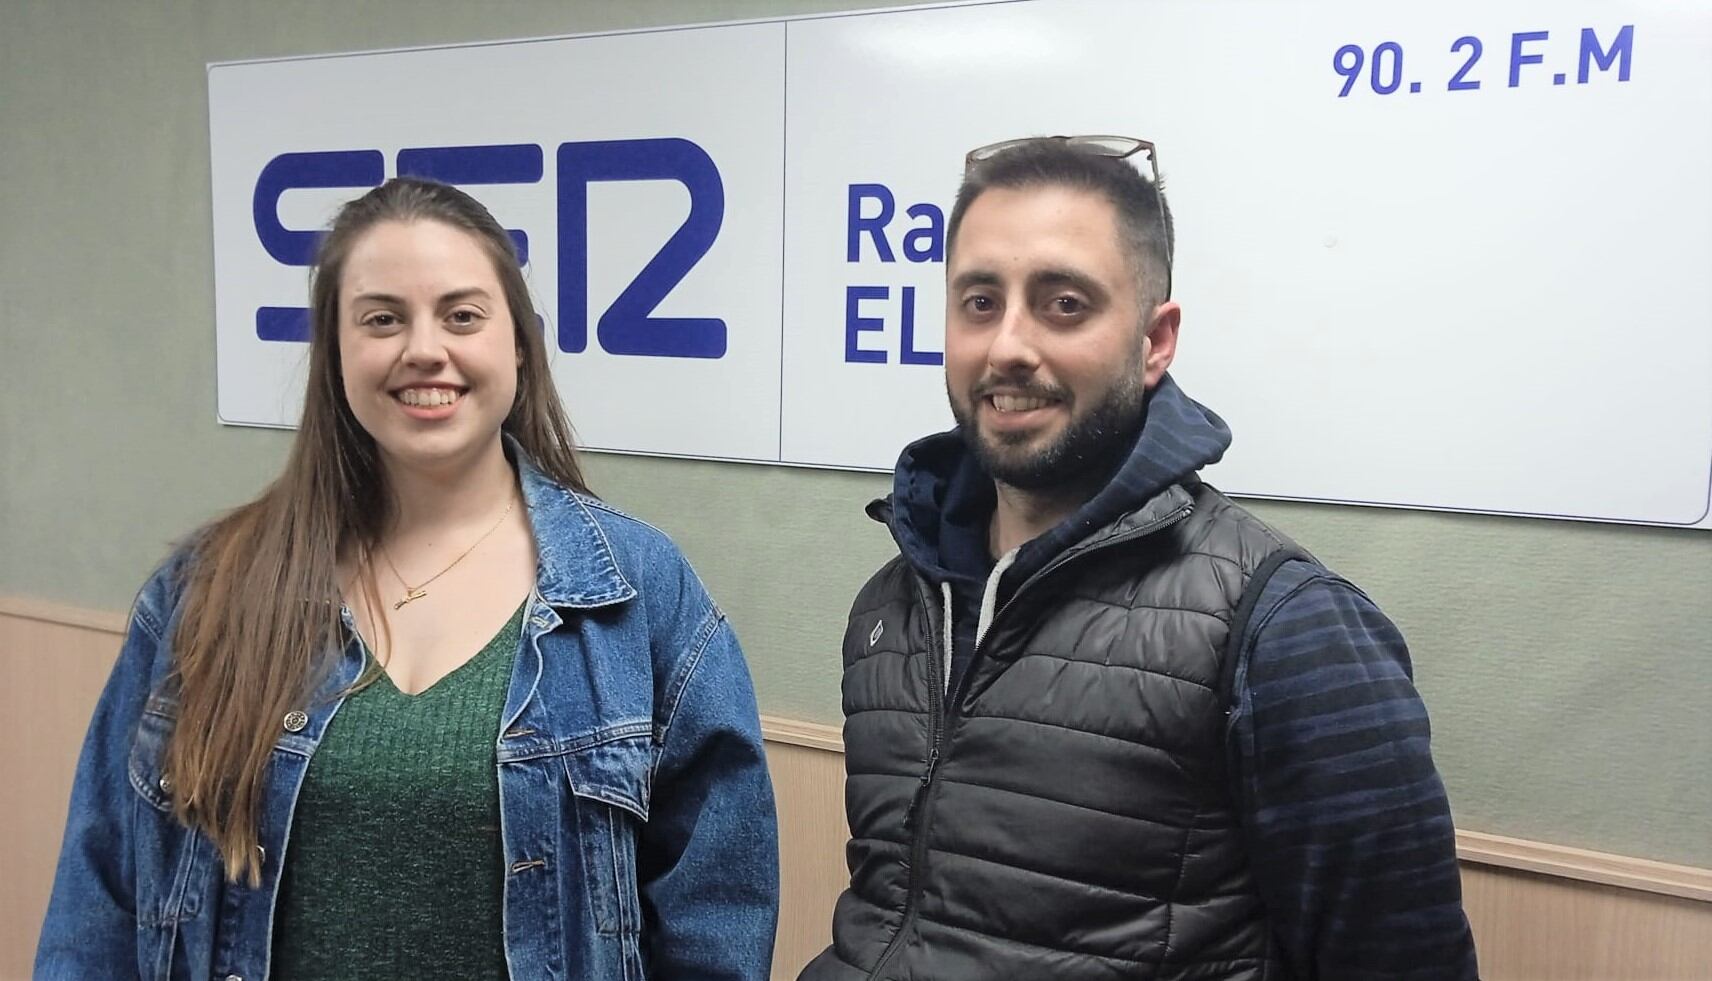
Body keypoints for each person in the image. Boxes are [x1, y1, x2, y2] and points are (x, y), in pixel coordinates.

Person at [37, 177, 778, 980]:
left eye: (462, 315)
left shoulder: (640, 594)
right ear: (336, 350)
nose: (424, 347)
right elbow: (98, 903)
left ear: (520, 343)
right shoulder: (204, 593)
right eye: (383, 318)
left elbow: (715, 915)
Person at [800, 136, 1477, 980]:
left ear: (1156, 340)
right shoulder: (897, 606)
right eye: (980, 300)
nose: (1008, 344)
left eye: (1064, 303)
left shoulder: (1285, 628)